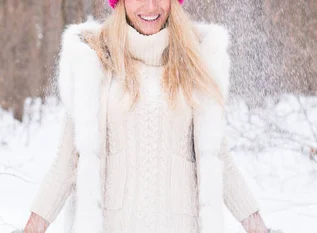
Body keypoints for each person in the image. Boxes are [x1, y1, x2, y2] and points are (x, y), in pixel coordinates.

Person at [24, 0, 272, 232]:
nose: (151, 6)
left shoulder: (196, 60)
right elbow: (67, 162)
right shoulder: (95, 61)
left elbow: (218, 159)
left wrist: (259, 227)